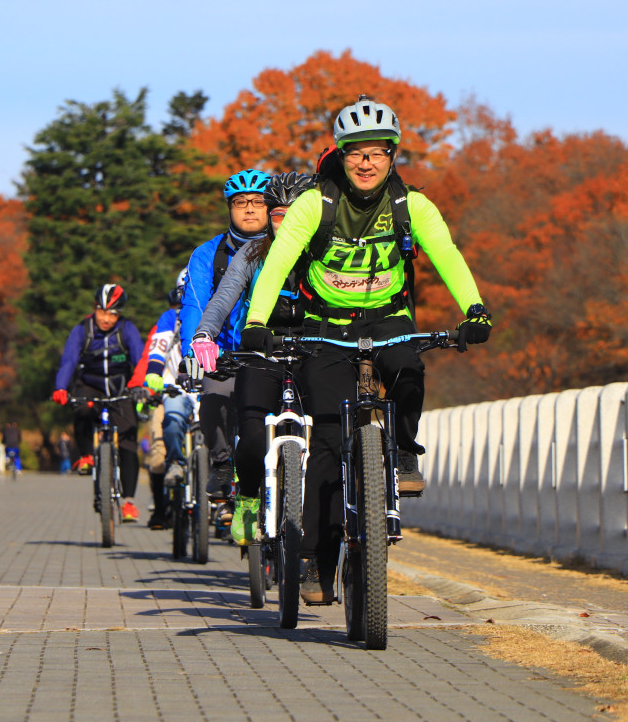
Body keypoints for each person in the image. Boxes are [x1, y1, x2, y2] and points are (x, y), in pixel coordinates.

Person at [241, 95, 493, 603]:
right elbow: (277, 264)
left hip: (389, 317)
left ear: (393, 156)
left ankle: (401, 452)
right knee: (330, 446)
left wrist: (475, 309)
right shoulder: (316, 203)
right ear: (340, 153)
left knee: (408, 370)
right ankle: (315, 559)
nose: (366, 163)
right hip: (324, 326)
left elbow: (446, 252)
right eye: (356, 152)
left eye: (377, 153)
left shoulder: (411, 205)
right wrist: (256, 320)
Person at [191, 172, 316, 545]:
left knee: (326, 434)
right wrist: (203, 334)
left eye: (295, 215)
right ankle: (246, 497)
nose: (286, 223)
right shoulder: (251, 252)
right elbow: (223, 297)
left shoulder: (324, 253)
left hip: (313, 350)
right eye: (278, 215)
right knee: (250, 436)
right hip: (260, 350)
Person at [179, 170, 271, 526]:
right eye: (239, 203)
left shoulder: (287, 245)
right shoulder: (207, 254)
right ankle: (221, 463)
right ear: (229, 209)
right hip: (223, 351)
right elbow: (196, 305)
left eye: (258, 201)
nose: (249, 209)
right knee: (213, 396)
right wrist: (195, 351)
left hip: (271, 350)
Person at [52, 284, 147, 522]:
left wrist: (140, 386)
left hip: (121, 387)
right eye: (102, 312)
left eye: (112, 313)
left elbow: (141, 359)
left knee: (127, 440)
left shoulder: (128, 329)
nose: (106, 319)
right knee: (82, 409)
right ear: (95, 309)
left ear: (120, 313)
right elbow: (69, 361)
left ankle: (128, 502)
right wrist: (61, 387)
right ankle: (86, 456)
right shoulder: (82, 331)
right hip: (90, 385)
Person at [133, 269, 189, 530]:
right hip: (169, 391)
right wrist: (148, 380)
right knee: (158, 452)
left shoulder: (217, 314)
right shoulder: (169, 319)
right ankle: (160, 508)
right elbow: (155, 350)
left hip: (203, 391)